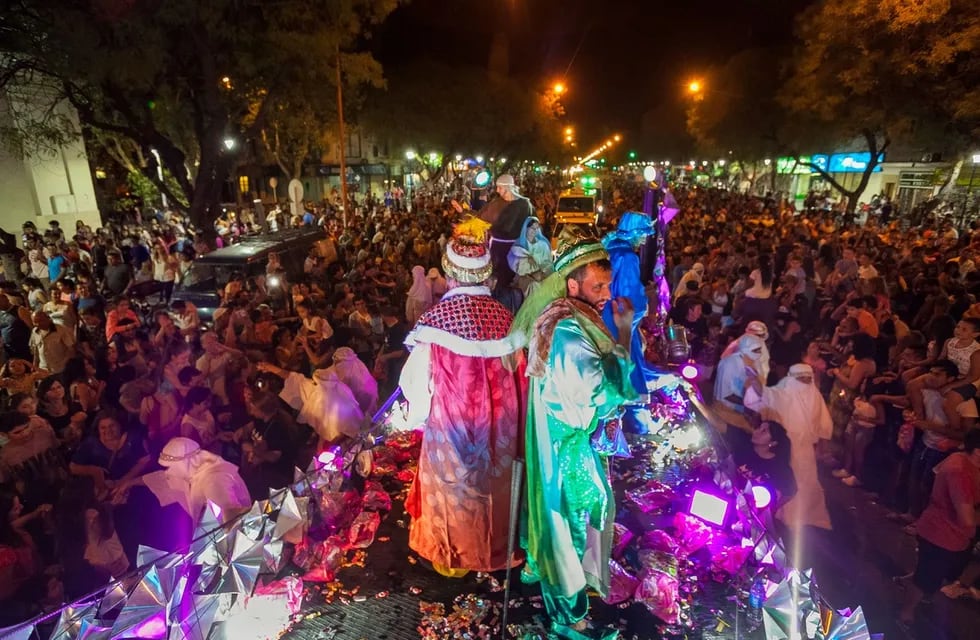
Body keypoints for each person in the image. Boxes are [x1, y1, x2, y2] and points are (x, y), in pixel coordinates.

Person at [511, 239, 635, 639]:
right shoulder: (566, 329)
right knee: (572, 522)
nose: (605, 296)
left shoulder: (572, 319)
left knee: (570, 518)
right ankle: (569, 618)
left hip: (564, 438)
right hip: (565, 444)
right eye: (597, 287)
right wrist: (627, 334)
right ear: (572, 285)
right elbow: (602, 389)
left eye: (607, 286)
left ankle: (567, 597)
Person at [398, 217, 526, 577]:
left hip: (451, 433)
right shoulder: (508, 321)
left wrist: (420, 417)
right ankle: (495, 549)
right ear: (487, 276)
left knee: (453, 495)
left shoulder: (436, 323)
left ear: (451, 276)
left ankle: (451, 556)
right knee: (492, 492)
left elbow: (414, 384)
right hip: (501, 431)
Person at [897, 429, 980, 625]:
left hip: (955, 536)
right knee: (926, 578)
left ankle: (920, 592)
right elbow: (967, 517)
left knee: (936, 574)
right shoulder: (959, 471)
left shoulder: (964, 459)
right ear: (978, 451)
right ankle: (905, 615)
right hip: (941, 534)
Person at [745, 363, 833, 530]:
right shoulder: (783, 394)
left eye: (808, 379)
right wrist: (754, 380)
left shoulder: (815, 396)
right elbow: (764, 395)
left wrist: (821, 449)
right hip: (784, 449)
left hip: (805, 452)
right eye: (801, 379)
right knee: (784, 482)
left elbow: (823, 426)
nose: (805, 383)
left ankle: (799, 516)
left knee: (804, 483)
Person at [486, 174, 533, 288]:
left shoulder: (523, 204)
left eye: (500, 187)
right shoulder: (500, 203)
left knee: (507, 280)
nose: (497, 190)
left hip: (511, 248)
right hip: (499, 247)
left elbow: (508, 227)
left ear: (507, 187)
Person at [507, 217, 554, 298]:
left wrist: (541, 273)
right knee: (530, 286)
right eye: (532, 228)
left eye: (536, 228)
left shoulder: (543, 245)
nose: (534, 231)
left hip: (541, 277)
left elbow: (548, 263)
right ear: (526, 228)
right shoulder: (519, 244)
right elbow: (515, 262)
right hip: (523, 278)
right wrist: (530, 272)